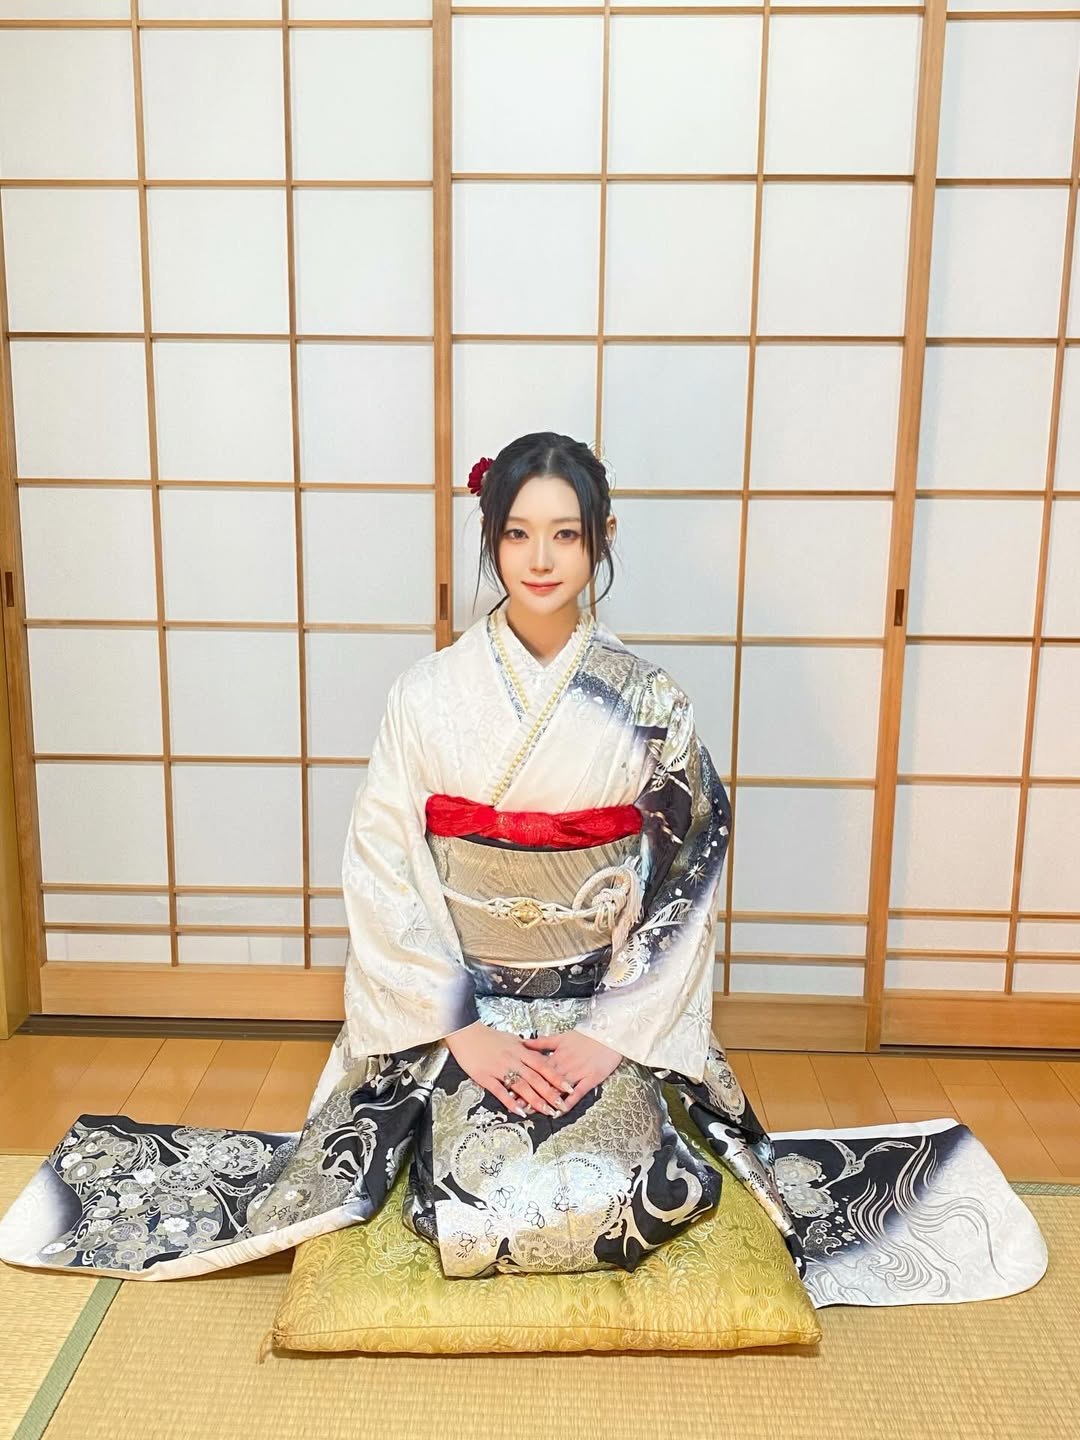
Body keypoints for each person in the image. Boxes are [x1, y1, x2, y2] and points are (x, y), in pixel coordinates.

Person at [0, 433, 1047, 1308]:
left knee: (619, 1189)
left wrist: (609, 1036)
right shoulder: (427, 696)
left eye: (565, 533)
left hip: (604, 1008)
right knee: (468, 1202)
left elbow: (690, 865)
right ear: (490, 537)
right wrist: (462, 1028)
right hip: (461, 1010)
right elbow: (383, 866)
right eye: (516, 532)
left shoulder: (652, 701)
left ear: (601, 539)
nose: (540, 558)